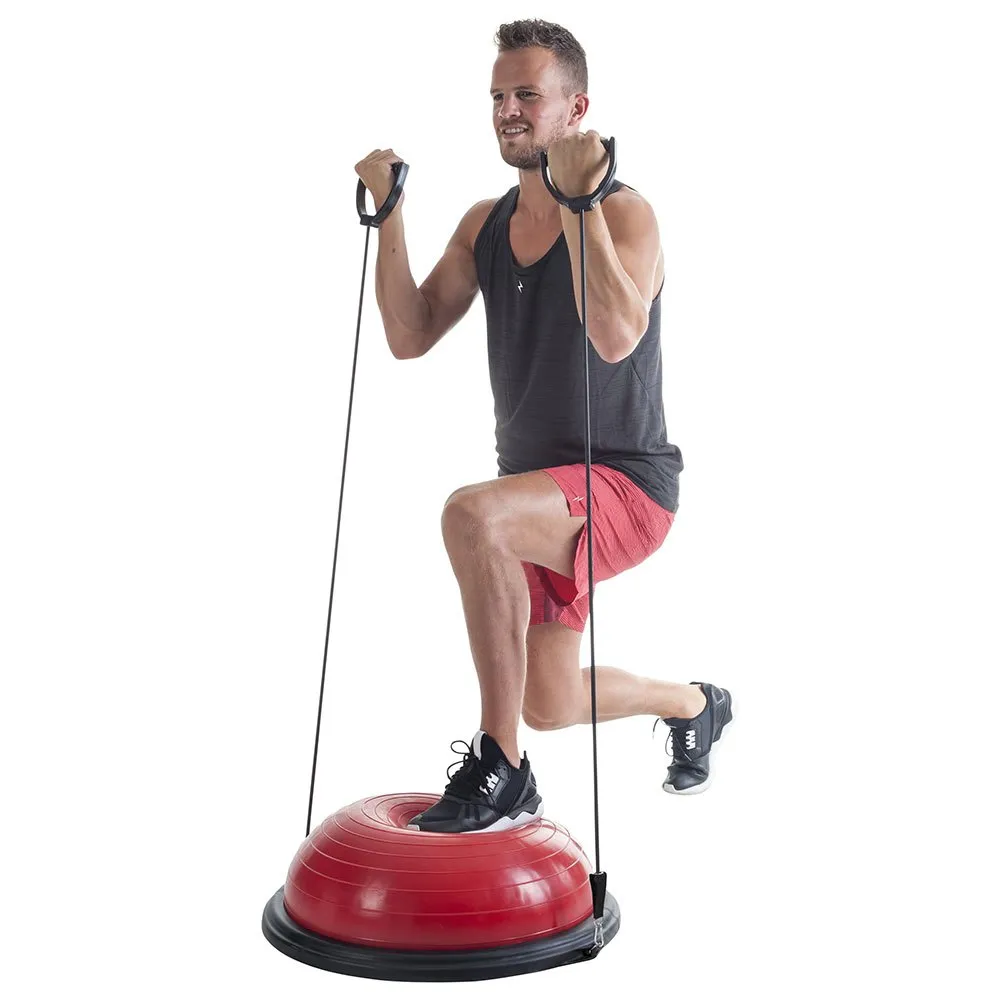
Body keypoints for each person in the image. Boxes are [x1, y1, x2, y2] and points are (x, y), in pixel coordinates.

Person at [354, 18, 733, 834]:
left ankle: (503, 765)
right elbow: (409, 334)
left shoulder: (627, 216)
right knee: (552, 700)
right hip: (536, 499)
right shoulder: (484, 225)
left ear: (577, 108)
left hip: (626, 487)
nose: (508, 111)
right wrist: (390, 216)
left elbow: (615, 337)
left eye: (528, 94)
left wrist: (579, 203)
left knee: (471, 516)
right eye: (498, 96)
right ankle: (695, 704)